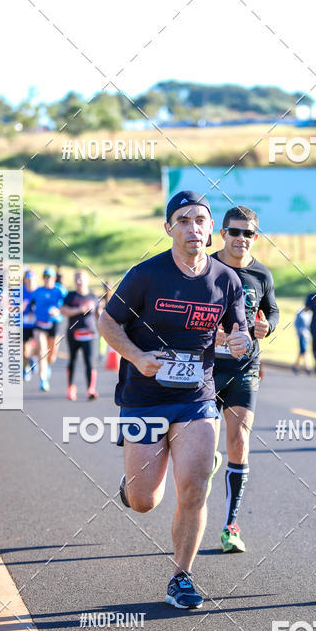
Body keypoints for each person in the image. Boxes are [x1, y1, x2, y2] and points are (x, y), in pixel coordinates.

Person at [98, 190, 250, 609]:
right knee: (144, 501)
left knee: (194, 488)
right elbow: (108, 323)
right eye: (183, 220)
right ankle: (135, 483)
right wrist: (137, 357)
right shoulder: (145, 275)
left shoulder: (226, 280)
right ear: (169, 228)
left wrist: (241, 341)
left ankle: (181, 577)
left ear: (210, 228)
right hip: (144, 397)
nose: (193, 228)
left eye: (200, 220)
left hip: (197, 397)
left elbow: (239, 331)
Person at [211, 206, 279, 553]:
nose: (241, 238)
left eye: (248, 233)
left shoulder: (261, 274)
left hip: (244, 368)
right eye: (234, 232)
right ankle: (205, 461)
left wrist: (268, 326)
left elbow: (273, 310)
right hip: (206, 369)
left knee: (238, 440)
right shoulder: (205, 267)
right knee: (201, 447)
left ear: (256, 236)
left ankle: (230, 526)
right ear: (222, 234)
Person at [61, 270, 100, 400]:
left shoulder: (93, 297)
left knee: (89, 361)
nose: (78, 281)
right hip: (73, 333)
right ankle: (70, 388)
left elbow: (99, 315)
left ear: (87, 280)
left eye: (81, 278)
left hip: (90, 333)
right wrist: (79, 309)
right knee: (72, 359)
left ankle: (91, 389)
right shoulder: (70, 296)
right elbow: (63, 310)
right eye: (76, 279)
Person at [26, 267, 66, 391]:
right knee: (42, 351)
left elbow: (67, 304)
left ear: (54, 278)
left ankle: (40, 362)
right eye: (46, 277)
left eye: (50, 277)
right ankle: (43, 380)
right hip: (40, 324)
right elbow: (30, 305)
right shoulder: (38, 291)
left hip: (54, 324)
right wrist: (30, 312)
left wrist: (58, 310)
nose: (48, 279)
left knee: (51, 356)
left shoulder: (60, 290)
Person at [22, 270, 38, 381]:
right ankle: (25, 368)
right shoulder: (20, 291)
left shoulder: (39, 291)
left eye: (32, 280)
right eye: (28, 280)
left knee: (39, 346)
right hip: (24, 324)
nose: (30, 282)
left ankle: (33, 358)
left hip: (37, 324)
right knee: (24, 350)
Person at [293, 305, 312, 374]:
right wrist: (300, 332)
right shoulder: (300, 313)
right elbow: (296, 324)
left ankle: (296, 366)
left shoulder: (310, 312)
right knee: (304, 350)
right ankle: (307, 367)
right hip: (302, 335)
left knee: (302, 351)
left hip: (308, 335)